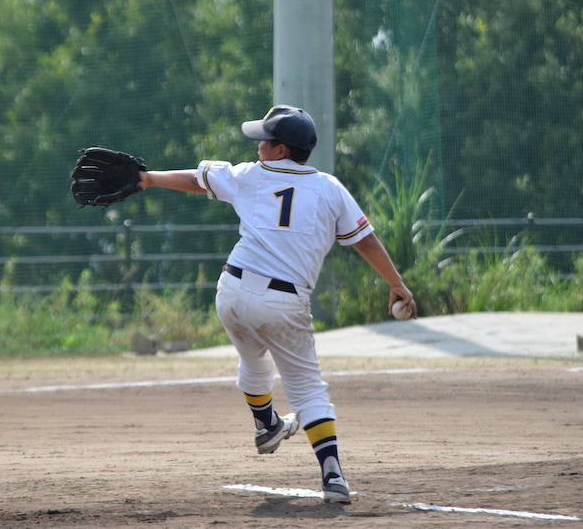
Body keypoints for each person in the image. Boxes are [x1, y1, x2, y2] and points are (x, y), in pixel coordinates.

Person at [137, 104, 417, 504]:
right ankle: (332, 474)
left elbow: (197, 179)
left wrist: (148, 179)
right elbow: (366, 240)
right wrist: (396, 285)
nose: (258, 146)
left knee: (254, 361)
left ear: (281, 150)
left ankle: (266, 425)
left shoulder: (251, 176)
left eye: (264, 141)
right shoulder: (329, 188)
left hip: (231, 291)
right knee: (307, 389)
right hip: (282, 302)